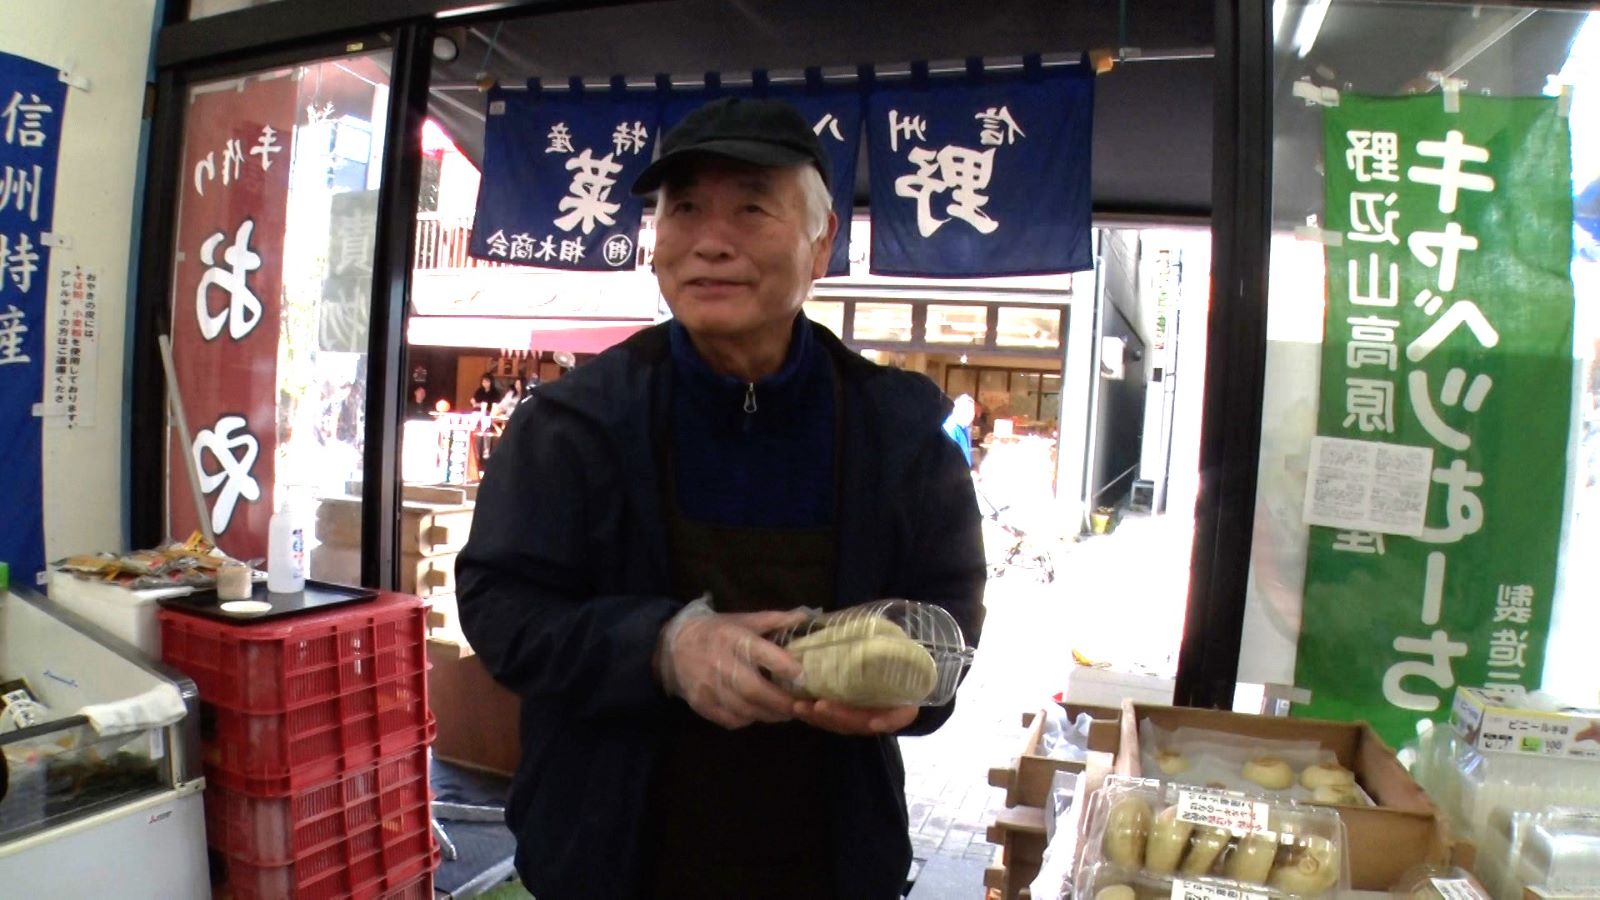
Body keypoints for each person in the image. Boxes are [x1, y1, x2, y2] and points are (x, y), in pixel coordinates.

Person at [455, 96, 985, 900]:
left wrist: (910, 701)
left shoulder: (899, 430)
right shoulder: (574, 424)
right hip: (609, 862)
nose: (710, 241)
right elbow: (499, 609)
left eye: (751, 208)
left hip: (827, 860)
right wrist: (663, 647)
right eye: (685, 209)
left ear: (820, 243)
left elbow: (950, 617)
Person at [943, 393, 976, 466]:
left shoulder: (965, 428)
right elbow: (949, 459)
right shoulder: (951, 428)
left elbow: (966, 454)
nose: (970, 415)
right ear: (956, 410)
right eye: (967, 411)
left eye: (972, 411)